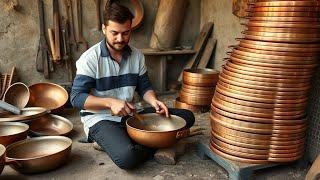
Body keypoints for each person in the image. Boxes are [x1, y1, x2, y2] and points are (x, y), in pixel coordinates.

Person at [70, 0, 195, 170]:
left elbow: (144, 87)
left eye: (126, 33)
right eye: (114, 33)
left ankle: (130, 141)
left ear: (131, 29)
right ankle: (155, 142)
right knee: (127, 158)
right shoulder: (90, 59)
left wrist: (154, 101)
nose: (120, 39)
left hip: (131, 114)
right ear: (104, 28)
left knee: (187, 117)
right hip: (100, 119)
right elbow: (76, 98)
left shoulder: (137, 56)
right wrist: (110, 103)